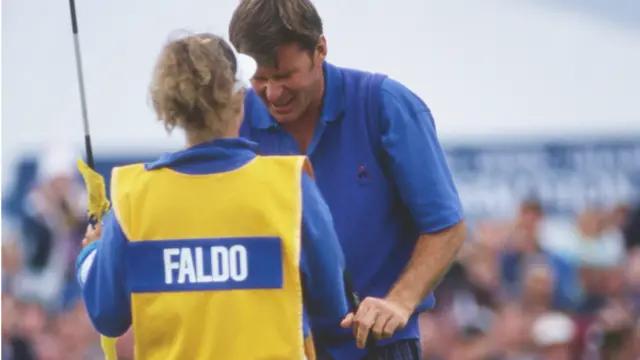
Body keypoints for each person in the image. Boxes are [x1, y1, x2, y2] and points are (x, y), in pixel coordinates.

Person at [76, 33, 349, 360]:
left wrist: (92, 251)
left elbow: (107, 315)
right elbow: (332, 307)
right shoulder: (290, 185)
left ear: (171, 106)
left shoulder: (133, 195)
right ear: (239, 97)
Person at [230, 1, 467, 359]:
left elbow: (446, 227)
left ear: (320, 49)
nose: (273, 94)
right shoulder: (233, 120)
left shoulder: (384, 105)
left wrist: (399, 302)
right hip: (274, 346)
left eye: (285, 76)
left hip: (381, 345)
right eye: (260, 79)